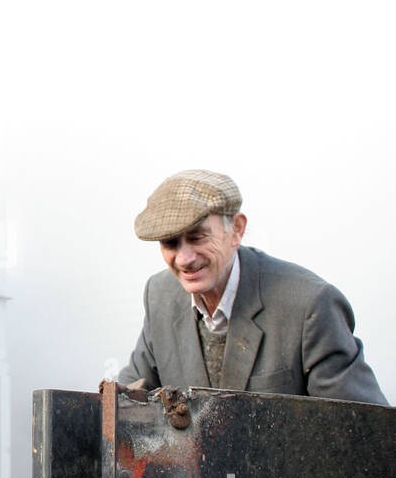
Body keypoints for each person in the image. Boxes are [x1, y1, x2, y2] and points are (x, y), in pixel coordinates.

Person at [117, 169, 388, 404]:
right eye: (170, 244)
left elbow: (364, 433)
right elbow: (129, 398)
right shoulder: (159, 294)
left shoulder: (310, 305)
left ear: (236, 229)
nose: (184, 259)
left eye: (198, 237)